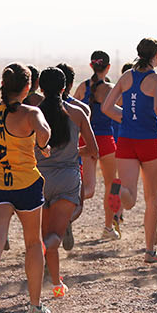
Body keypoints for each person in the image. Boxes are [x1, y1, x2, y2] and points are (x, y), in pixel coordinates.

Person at [0, 62, 53, 313]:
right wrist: (42, 145)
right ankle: (35, 306)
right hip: (26, 184)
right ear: (28, 87)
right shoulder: (32, 112)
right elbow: (45, 132)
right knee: (33, 243)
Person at [101, 39, 157, 262]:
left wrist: (126, 118)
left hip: (126, 141)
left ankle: (120, 189)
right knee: (152, 199)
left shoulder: (126, 77)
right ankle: (150, 251)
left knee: (130, 199)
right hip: (149, 141)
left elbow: (106, 107)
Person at [36, 66, 96, 297]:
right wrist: (73, 152)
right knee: (55, 237)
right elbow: (93, 150)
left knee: (46, 234)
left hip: (39, 178)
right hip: (67, 179)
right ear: (64, 88)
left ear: (41, 88)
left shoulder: (33, 113)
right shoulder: (78, 113)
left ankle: (56, 283)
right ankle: (42, 256)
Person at [76, 51, 123, 240]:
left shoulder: (82, 87)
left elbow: (72, 109)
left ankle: (66, 215)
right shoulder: (111, 89)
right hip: (105, 140)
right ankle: (108, 227)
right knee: (112, 185)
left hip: (86, 140)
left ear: (91, 66)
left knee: (88, 189)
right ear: (108, 67)